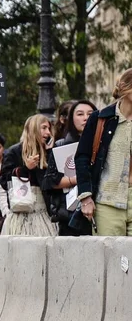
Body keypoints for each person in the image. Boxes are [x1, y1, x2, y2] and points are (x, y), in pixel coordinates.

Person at [75, 68, 132, 236]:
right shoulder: (101, 119)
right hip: (108, 201)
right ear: (124, 87)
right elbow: (82, 157)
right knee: (111, 259)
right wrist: (85, 197)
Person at [43, 100, 96, 236]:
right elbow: (50, 182)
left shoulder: (103, 144)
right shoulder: (61, 145)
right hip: (69, 213)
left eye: (90, 114)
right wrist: (77, 179)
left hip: (99, 209)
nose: (85, 118)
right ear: (71, 119)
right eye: (80, 114)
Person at [0, 115, 56, 236]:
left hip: (43, 213)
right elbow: (4, 181)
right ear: (33, 128)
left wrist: (50, 152)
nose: (48, 132)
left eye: (49, 128)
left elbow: (54, 180)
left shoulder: (49, 152)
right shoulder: (14, 151)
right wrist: (25, 170)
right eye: (44, 128)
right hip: (20, 212)